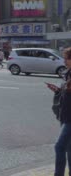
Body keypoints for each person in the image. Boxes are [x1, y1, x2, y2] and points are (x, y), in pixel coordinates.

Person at [46, 47, 71, 176]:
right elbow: (66, 94)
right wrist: (57, 90)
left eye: (67, 58)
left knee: (60, 147)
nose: (64, 61)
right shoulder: (68, 73)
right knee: (68, 148)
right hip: (65, 114)